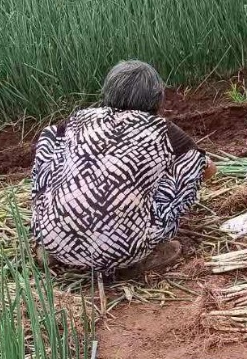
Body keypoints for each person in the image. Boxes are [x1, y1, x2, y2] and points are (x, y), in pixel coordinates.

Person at [31, 60, 216, 274]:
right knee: (182, 171)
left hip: (55, 238)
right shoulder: (163, 130)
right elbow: (206, 170)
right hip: (125, 250)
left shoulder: (78, 120)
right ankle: (141, 256)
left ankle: (51, 242)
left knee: (51, 139)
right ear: (156, 98)